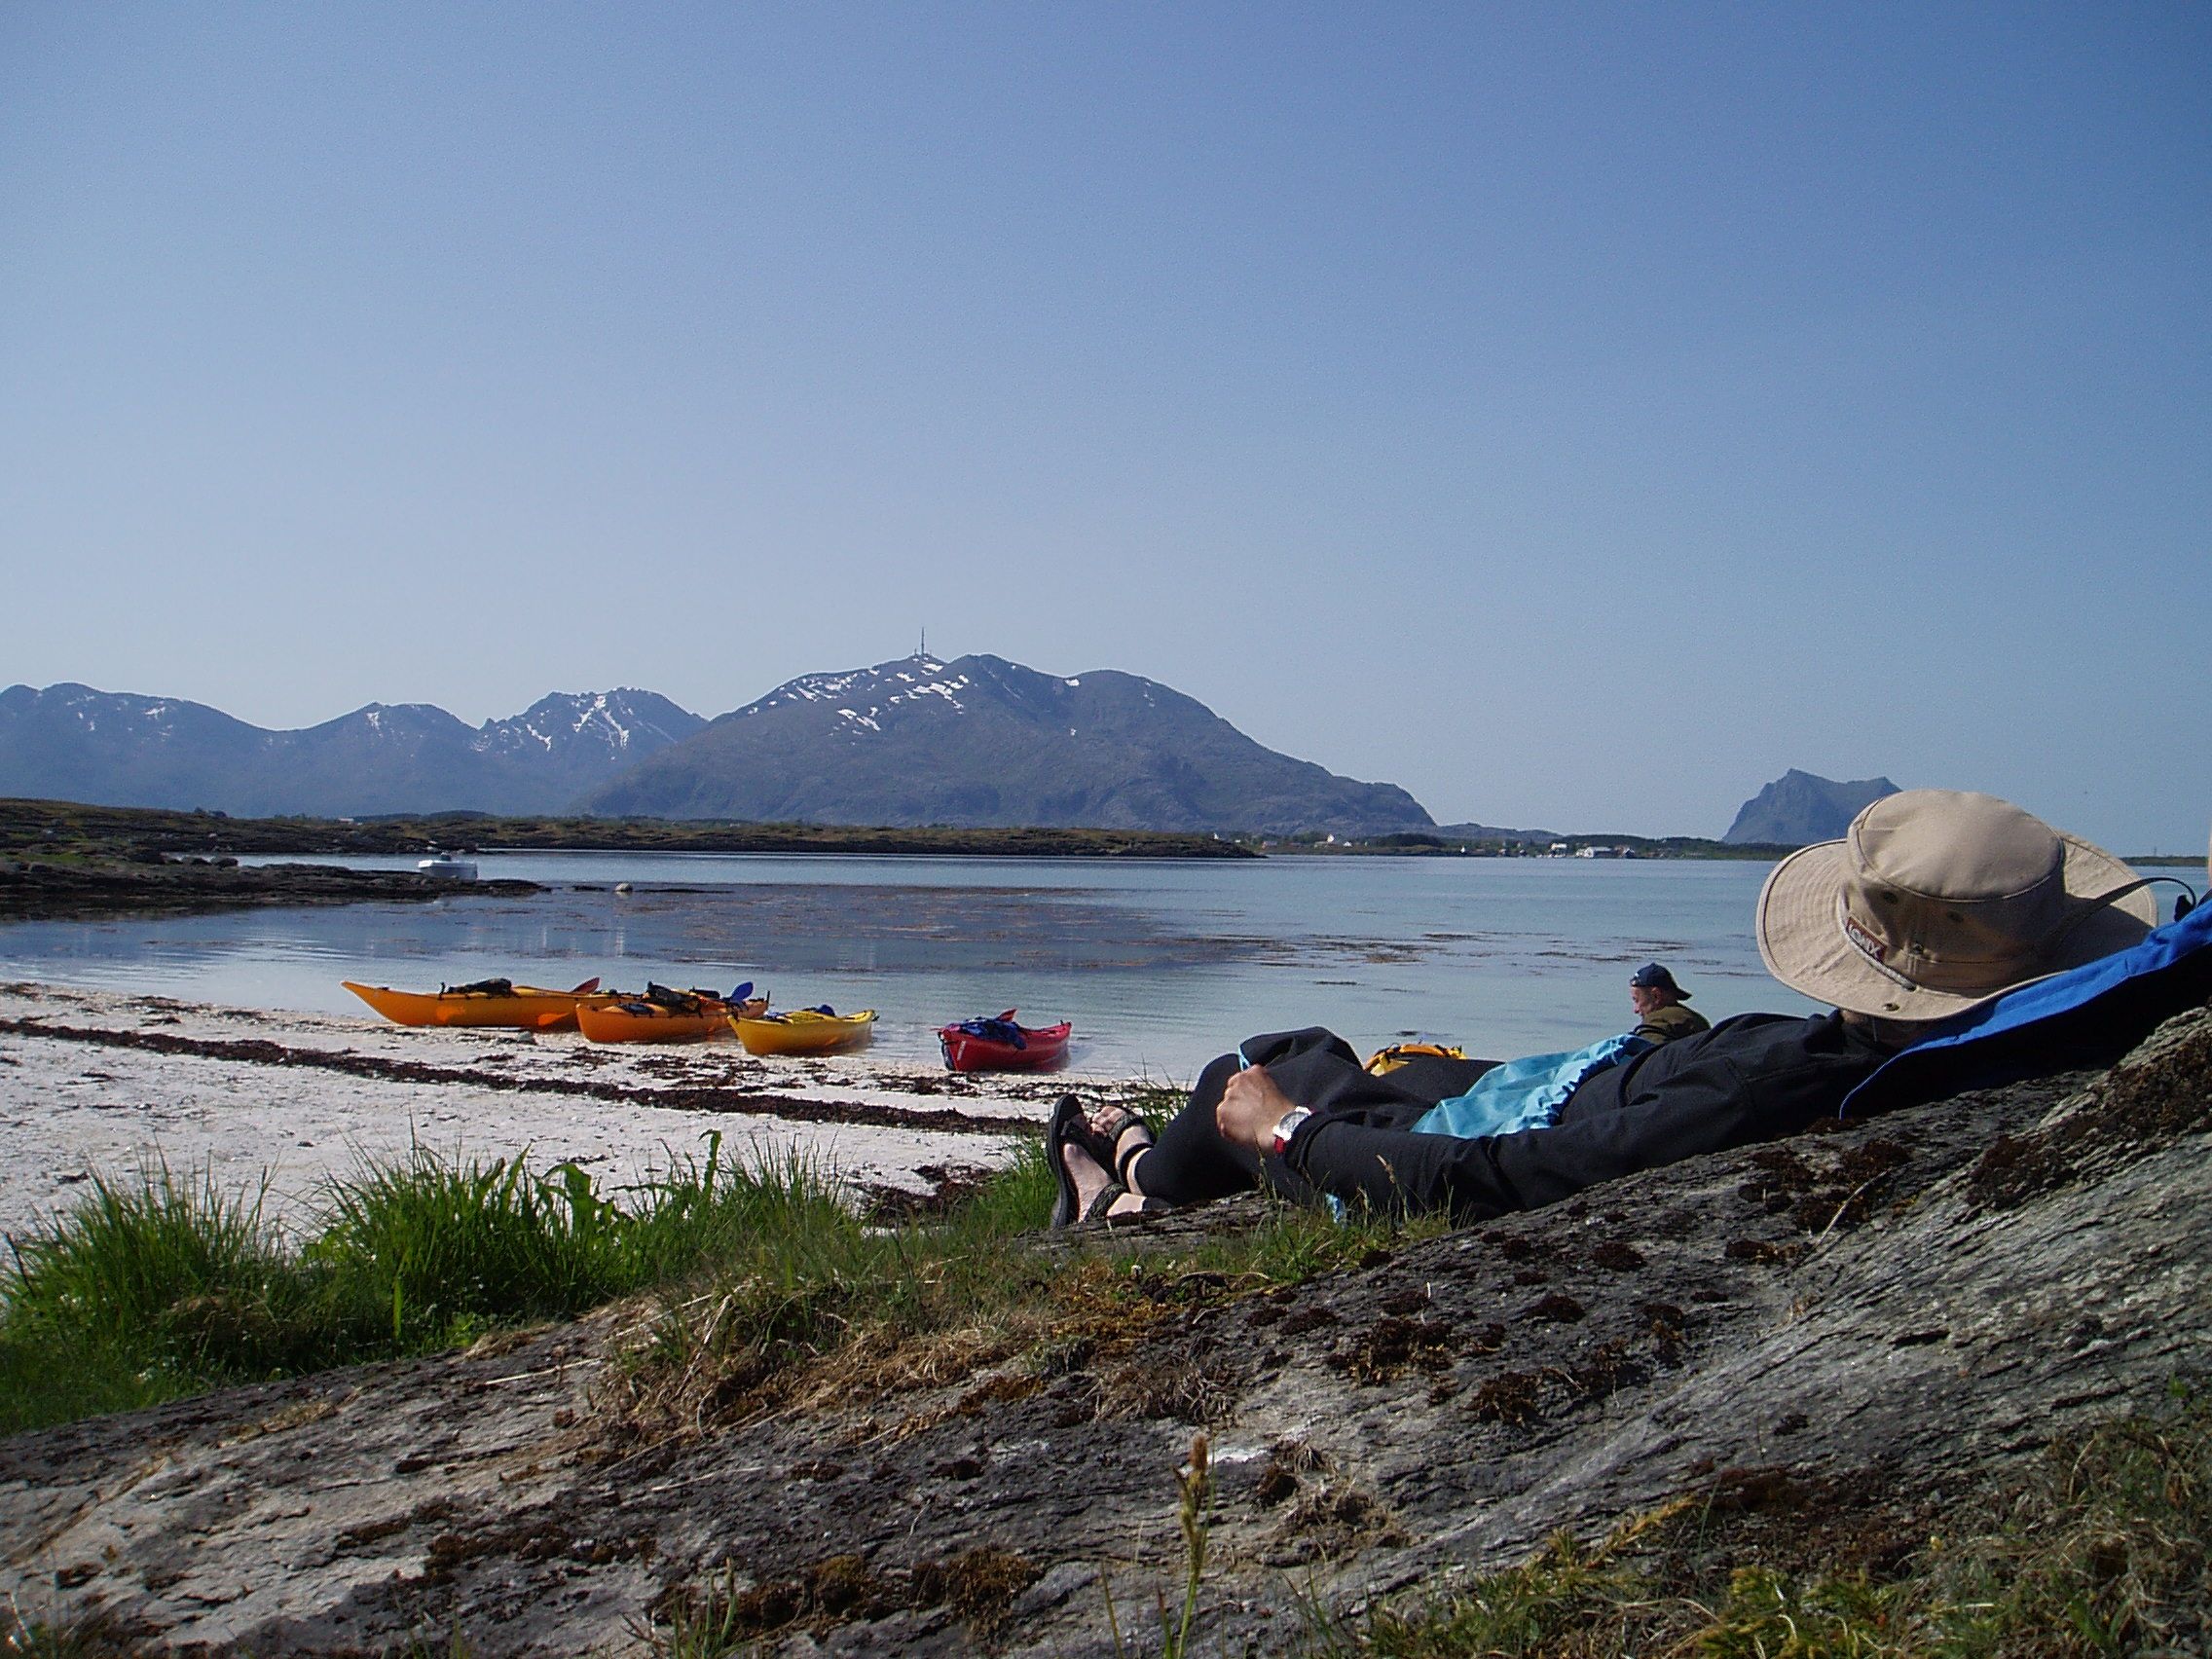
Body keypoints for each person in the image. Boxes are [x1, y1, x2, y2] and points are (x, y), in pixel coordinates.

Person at [1048, 790, 2158, 1228]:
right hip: (1532, 1081)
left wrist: (1280, 1131)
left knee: (1256, 1064)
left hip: (1486, 1131)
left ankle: (1130, 1182)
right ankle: (1142, 1163)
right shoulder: (1901, 1046)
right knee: (1344, 1053)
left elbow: (1503, 1183)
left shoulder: (1779, 1083)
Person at [1629, 962, 1710, 1045]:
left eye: (1636, 1000)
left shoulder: (1656, 1021)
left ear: (1656, 995)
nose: (1636, 1010)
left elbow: (1653, 1055)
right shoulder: (1699, 1020)